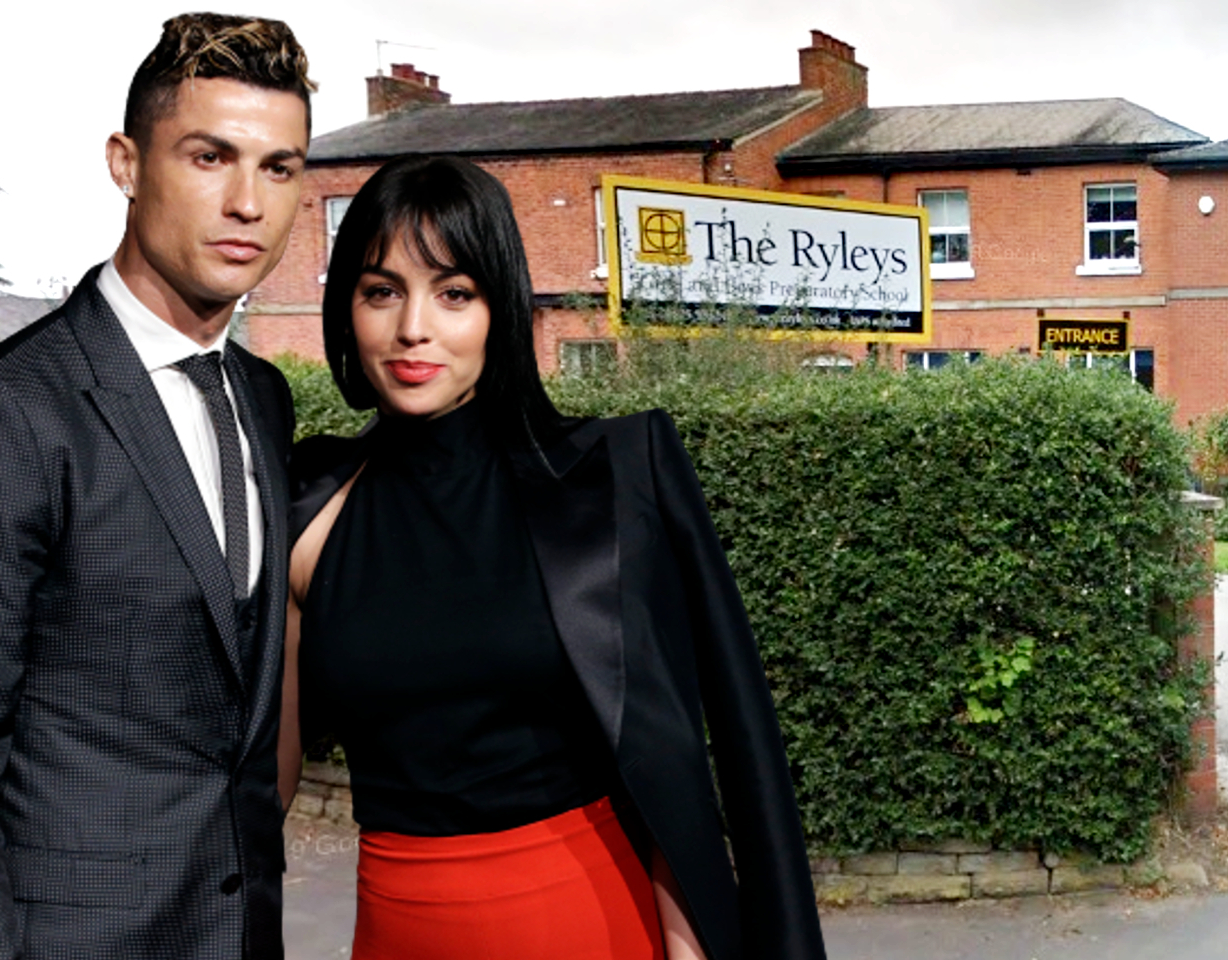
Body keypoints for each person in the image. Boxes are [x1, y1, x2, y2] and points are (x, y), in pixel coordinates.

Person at [279, 155, 827, 960]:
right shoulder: (308, 508)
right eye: (381, 291)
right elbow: (260, 788)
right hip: (396, 925)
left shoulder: (613, 477)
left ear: (500, 307)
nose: (413, 329)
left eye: (454, 292)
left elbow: (679, 753)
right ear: (347, 309)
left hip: (584, 919)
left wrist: (688, 945)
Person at [0, 14, 313, 959]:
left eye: (279, 167)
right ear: (126, 162)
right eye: (210, 157)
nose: (248, 202)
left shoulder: (263, 398)